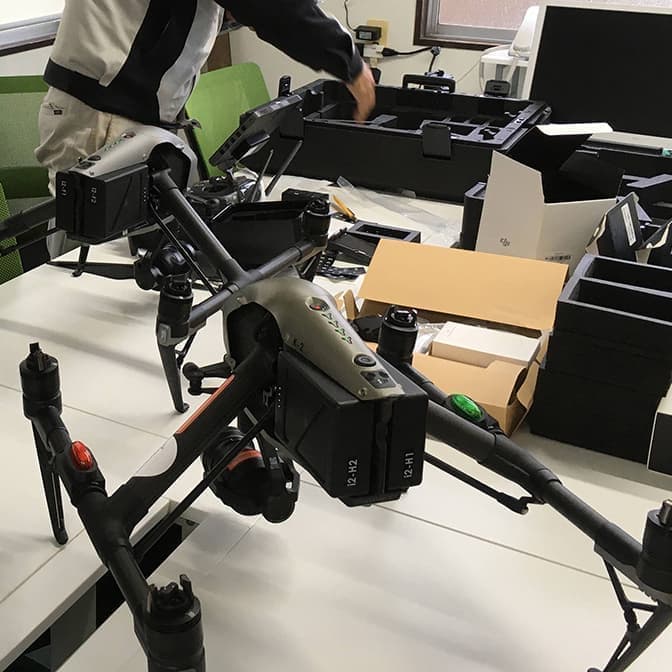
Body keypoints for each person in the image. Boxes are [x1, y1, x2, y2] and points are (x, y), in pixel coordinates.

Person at [35, 0, 376, 255]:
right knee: (86, 269)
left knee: (119, 266)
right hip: (102, 114)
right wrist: (348, 61)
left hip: (123, 113)